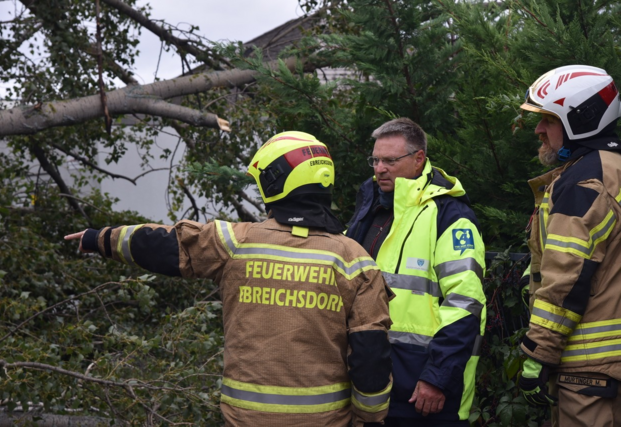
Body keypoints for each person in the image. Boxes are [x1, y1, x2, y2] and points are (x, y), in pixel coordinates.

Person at [65, 131, 393, 427]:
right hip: (325, 420)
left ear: (277, 181)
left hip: (244, 418)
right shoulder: (356, 261)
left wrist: (99, 238)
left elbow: (162, 244)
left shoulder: (235, 241)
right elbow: (369, 355)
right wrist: (370, 417)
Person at [346, 118, 486, 427]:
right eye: (376, 160)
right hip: (368, 384)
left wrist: (437, 377)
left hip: (422, 391)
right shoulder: (370, 208)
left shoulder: (450, 216)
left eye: (390, 161)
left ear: (418, 159)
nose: (379, 168)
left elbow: (466, 304)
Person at [517, 64, 621, 426]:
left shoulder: (583, 181)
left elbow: (566, 278)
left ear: (581, 118)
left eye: (548, 119)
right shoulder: (614, 168)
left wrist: (537, 354)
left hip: (589, 369)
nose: (538, 129)